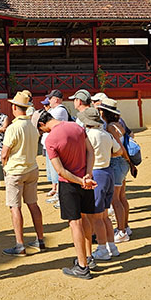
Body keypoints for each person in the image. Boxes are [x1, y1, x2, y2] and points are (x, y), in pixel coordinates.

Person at [37, 110, 96, 280]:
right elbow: (90, 151)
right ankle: (88, 257)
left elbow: (60, 170)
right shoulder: (76, 126)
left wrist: (79, 181)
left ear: (42, 124)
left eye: (41, 130)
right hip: (86, 178)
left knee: (75, 223)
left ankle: (82, 266)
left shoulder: (50, 140)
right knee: (85, 219)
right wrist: (87, 175)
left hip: (69, 184)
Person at [1, 91, 45, 255]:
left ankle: (20, 245)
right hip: (31, 168)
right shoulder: (32, 127)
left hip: (16, 170)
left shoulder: (13, 127)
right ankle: (40, 240)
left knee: (15, 207)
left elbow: (4, 153)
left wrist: (5, 166)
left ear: (14, 107)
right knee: (33, 204)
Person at [77, 107, 122, 262]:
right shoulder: (105, 134)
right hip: (108, 171)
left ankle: (102, 248)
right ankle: (111, 246)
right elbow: (118, 151)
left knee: (96, 216)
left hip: (96, 173)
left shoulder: (89, 135)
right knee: (104, 215)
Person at [99, 99, 133, 243]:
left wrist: (114, 155)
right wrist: (129, 162)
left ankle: (121, 231)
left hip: (117, 163)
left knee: (115, 199)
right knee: (122, 197)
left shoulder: (110, 127)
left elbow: (119, 148)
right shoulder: (119, 125)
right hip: (123, 163)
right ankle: (124, 226)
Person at [42, 89, 69, 206]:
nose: (49, 101)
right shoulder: (55, 110)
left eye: (51, 98)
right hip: (52, 144)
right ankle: (58, 194)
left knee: (58, 170)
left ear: (56, 99)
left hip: (56, 145)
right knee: (54, 171)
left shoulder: (59, 111)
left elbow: (45, 120)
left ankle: (60, 196)